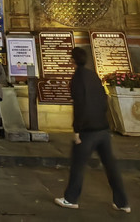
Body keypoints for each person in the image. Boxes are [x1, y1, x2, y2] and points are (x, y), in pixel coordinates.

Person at [54, 47, 130, 213]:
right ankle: (122, 202)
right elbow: (104, 98)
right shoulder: (93, 75)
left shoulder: (77, 79)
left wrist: (77, 130)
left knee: (78, 165)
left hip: (87, 130)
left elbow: (80, 105)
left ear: (72, 61)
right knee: (110, 166)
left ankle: (71, 199)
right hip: (102, 127)